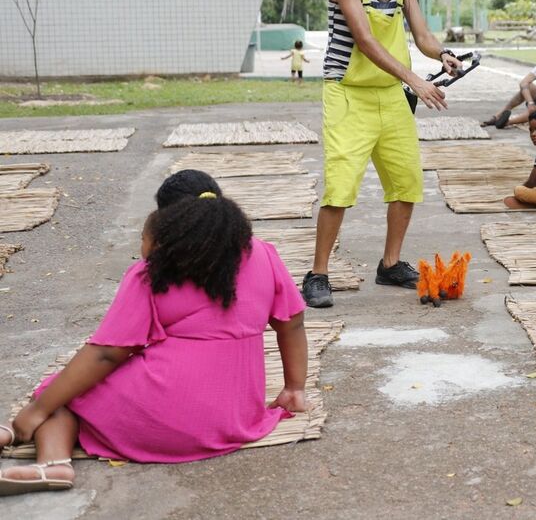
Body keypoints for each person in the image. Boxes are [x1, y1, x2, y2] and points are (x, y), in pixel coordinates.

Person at [0, 171, 308, 495]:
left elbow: (107, 352)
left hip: (165, 413)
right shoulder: (264, 254)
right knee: (68, 390)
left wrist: (39, 407)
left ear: (166, 223)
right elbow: (293, 323)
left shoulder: (155, 272)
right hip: (236, 417)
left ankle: (51, 461)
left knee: (61, 392)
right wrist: (294, 388)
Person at [303, 0, 462, 308]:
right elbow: (366, 42)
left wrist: (441, 55)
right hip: (348, 93)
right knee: (340, 186)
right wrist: (414, 79)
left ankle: (390, 264)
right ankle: (318, 273)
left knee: (407, 181)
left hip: (390, 95)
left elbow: (422, 34)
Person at [483, 44, 536, 129]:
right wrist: (530, 103)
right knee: (528, 87)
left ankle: (507, 122)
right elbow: (523, 83)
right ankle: (499, 114)